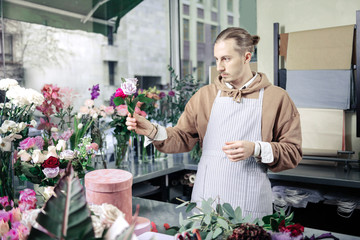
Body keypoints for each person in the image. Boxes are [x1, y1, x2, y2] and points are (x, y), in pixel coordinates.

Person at [126, 27, 302, 220]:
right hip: (206, 200)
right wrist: (152, 130)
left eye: (226, 58)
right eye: (217, 59)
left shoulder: (276, 98)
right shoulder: (205, 96)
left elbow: (292, 152)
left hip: (250, 203)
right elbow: (182, 138)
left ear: (246, 57)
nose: (219, 67)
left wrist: (256, 149)